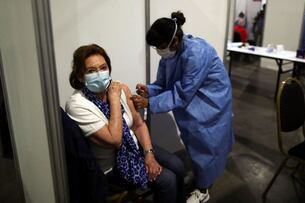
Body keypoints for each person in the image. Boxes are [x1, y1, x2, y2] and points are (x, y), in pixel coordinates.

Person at [131, 11, 234, 203]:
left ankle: (203, 190)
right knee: (194, 143)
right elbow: (163, 84)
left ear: (175, 41)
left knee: (206, 144)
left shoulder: (196, 53)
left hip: (211, 102)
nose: (158, 51)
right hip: (193, 101)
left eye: (160, 46)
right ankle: (201, 177)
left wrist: (150, 103)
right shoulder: (168, 56)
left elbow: (182, 93)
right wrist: (149, 90)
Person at [65, 44, 185, 203]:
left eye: (103, 68)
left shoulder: (121, 88)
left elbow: (139, 125)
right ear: (80, 76)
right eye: (91, 71)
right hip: (112, 167)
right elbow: (115, 140)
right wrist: (114, 100)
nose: (99, 74)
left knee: (178, 164)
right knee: (167, 180)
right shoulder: (77, 104)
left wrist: (149, 154)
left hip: (135, 147)